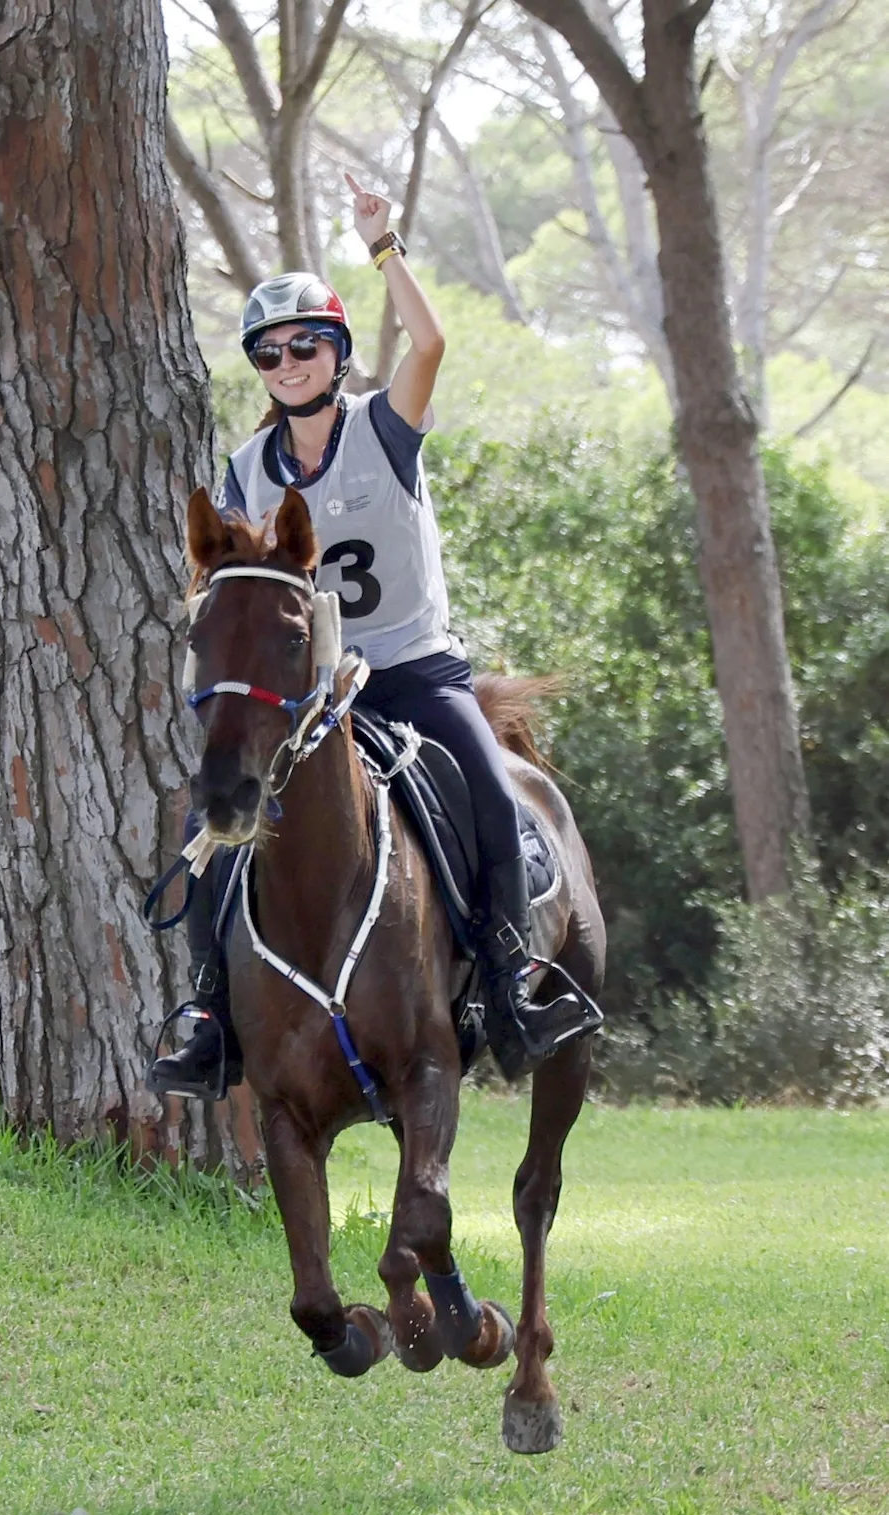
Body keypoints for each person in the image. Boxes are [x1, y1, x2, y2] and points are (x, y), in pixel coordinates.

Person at [151, 174, 583, 1100]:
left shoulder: (385, 426)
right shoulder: (244, 469)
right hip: (315, 690)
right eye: (269, 352)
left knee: (490, 794)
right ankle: (210, 1014)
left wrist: (383, 246)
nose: (287, 362)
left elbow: (431, 343)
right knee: (208, 818)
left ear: (337, 352)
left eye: (304, 344)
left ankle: (510, 985)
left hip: (418, 672)